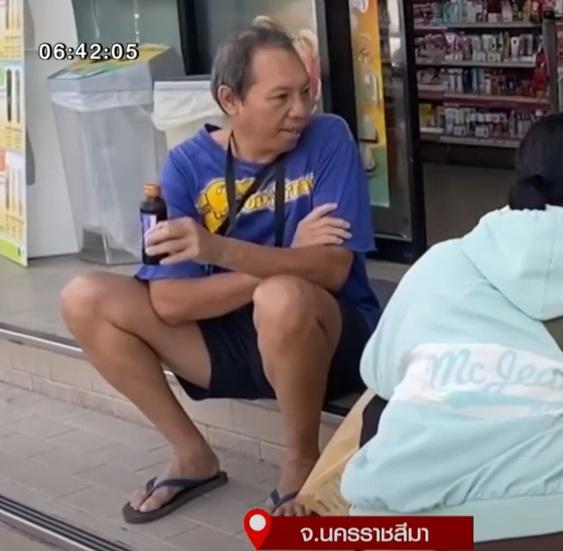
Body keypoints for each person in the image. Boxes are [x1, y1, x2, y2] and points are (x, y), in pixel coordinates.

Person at [59, 21, 379, 521]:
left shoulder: (328, 138)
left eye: (304, 92)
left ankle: (300, 460)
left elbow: (332, 270)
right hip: (231, 336)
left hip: (327, 337)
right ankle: (192, 454)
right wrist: (283, 257)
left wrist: (219, 251)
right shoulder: (185, 166)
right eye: (281, 98)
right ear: (231, 100)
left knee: (283, 297)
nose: (300, 109)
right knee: (84, 296)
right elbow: (171, 303)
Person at [339, 112, 563, 550]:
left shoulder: (439, 264)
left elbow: (379, 372)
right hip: (540, 534)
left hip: (401, 533)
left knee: (389, 397)